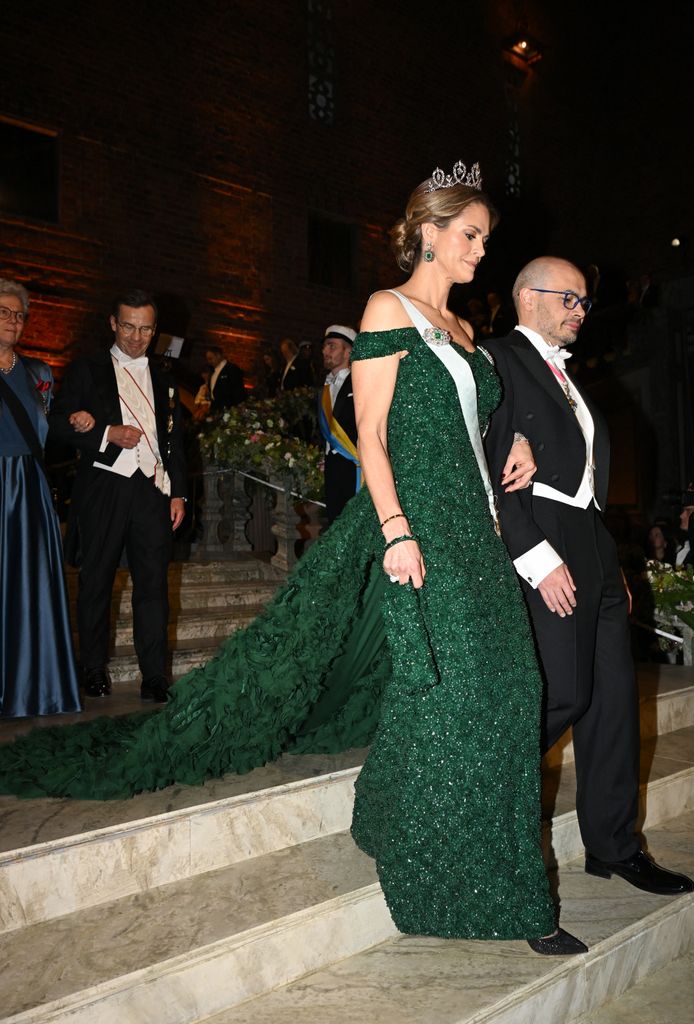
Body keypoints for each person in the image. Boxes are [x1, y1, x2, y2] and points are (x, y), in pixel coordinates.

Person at [0, 171, 584, 955]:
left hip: (479, 534)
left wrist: (507, 441)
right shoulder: (389, 309)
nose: (482, 249)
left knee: (510, 691)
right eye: (470, 234)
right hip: (424, 530)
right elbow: (371, 432)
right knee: (460, 695)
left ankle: (389, 814)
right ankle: (484, 887)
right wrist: (397, 531)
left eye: (484, 235)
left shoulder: (467, 330)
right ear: (429, 231)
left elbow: (471, 422)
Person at [484, 256, 694, 896]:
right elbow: (495, 462)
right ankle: (487, 817)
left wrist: (609, 563)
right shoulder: (496, 359)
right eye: (568, 298)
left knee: (610, 704)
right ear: (527, 298)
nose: (580, 310)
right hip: (542, 534)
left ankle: (614, 845)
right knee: (564, 694)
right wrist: (536, 554)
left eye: (583, 301)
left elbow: (587, 484)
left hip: (592, 541)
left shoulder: (570, 378)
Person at [49, 289, 188, 703]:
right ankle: (93, 669)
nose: (135, 336)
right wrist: (104, 432)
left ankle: (154, 675)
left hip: (151, 491)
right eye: (128, 325)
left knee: (153, 586)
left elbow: (175, 441)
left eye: (145, 328)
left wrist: (178, 492)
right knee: (96, 581)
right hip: (104, 488)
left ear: (154, 330)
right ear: (113, 323)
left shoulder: (164, 379)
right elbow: (56, 425)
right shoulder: (86, 369)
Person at [0, 278, 82, 717]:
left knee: (30, 587)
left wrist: (85, 424)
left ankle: (33, 689)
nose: (14, 321)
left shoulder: (39, 373)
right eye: (4, 312)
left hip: (28, 488)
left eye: (19, 314)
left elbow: (57, 430)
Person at [318, 324, 359, 523]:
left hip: (355, 465)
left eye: (332, 346)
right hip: (332, 466)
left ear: (348, 351)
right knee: (334, 522)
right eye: (325, 347)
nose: (325, 351)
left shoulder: (360, 382)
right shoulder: (325, 386)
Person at [205, 345, 245, 412]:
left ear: (218, 355)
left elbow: (238, 391)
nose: (209, 361)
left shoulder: (232, 369)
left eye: (211, 358)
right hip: (215, 407)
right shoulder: (212, 370)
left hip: (227, 408)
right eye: (208, 359)